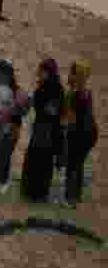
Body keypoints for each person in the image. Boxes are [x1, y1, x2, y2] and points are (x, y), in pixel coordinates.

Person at [20, 58, 64, 202]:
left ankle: (38, 193)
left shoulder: (55, 88)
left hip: (48, 129)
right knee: (36, 158)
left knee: (42, 160)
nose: (39, 73)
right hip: (41, 127)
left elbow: (53, 110)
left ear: (48, 72)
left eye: (42, 70)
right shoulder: (44, 86)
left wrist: (43, 107)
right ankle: (32, 192)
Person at [0, 59, 29, 195]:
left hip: (11, 128)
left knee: (5, 155)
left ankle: (4, 183)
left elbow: (23, 108)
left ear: (6, 74)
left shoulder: (17, 92)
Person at [61, 60, 98, 208]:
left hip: (79, 134)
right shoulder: (87, 92)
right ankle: (75, 197)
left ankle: (70, 199)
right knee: (78, 165)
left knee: (73, 165)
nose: (69, 75)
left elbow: (70, 119)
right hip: (90, 133)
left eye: (72, 72)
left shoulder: (73, 95)